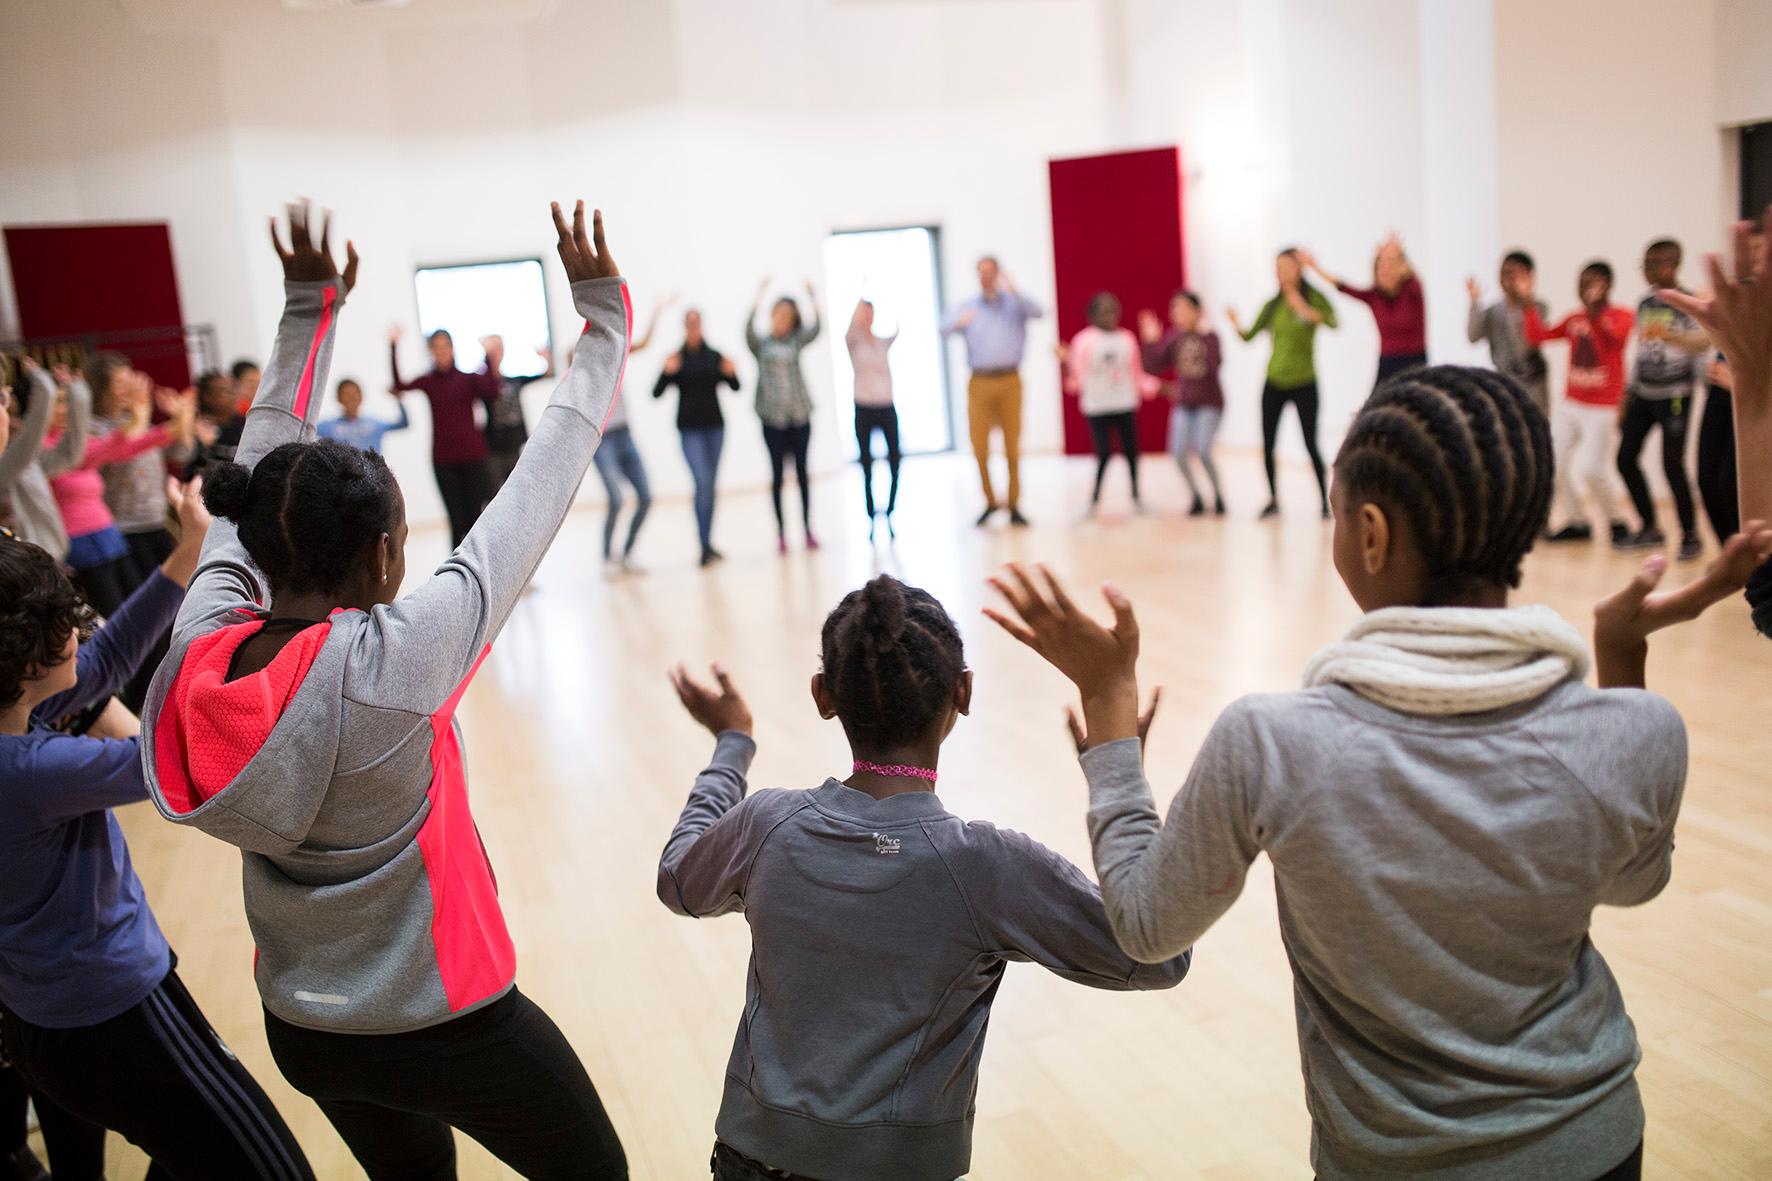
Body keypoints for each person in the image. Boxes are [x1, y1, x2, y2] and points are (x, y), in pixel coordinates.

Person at [984, 364, 1772, 1181]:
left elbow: (1147, 926)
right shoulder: (1642, 728)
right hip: (1597, 1142)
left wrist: (1111, 711)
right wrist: (1622, 658)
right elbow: (1632, 881)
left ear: (1369, 533)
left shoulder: (1274, 743)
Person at [139, 200, 629, 1179]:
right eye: (403, 540)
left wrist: (307, 308)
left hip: (305, 1025)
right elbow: (543, 472)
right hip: (448, 1020)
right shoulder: (401, 660)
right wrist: (604, 316)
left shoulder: (200, 642)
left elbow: (261, 456)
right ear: (381, 554)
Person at [658, 574, 1189, 1181]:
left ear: (823, 695)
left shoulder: (766, 826)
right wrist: (1116, 764)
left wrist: (732, 743)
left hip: (748, 1159)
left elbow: (678, 878)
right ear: (963, 692)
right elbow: (1157, 954)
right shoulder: (986, 867)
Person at [1, 486, 316, 1181]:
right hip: (114, 1016)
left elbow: (105, 663)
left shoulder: (15, 727)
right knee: (275, 1172)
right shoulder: (34, 772)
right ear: (24, 662)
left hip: (44, 1020)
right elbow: (177, 755)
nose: (81, 629)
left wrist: (189, 547)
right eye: (65, 622)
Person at [1663, 204, 1772, 637]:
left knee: (1726, 479)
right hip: (1729, 390)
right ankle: (1736, 553)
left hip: (1744, 389)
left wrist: (1748, 377)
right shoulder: (1738, 309)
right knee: (1709, 477)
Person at [48, 375, 195, 617]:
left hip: (109, 536)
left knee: (146, 608)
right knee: (120, 615)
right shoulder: (49, 450)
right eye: (59, 402)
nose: (66, 409)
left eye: (68, 401)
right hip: (86, 542)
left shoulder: (72, 442)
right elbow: (108, 447)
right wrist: (142, 413)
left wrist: (180, 418)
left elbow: (128, 448)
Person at [1525, 261, 1635, 544]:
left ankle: (1617, 522)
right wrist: (1527, 303)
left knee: (1592, 469)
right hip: (1572, 403)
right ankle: (1578, 522)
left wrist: (1597, 314)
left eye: (1593, 282)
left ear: (1607, 285)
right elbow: (1539, 336)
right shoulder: (1575, 319)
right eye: (1582, 282)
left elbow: (1618, 340)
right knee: (1553, 465)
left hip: (1602, 405)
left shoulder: (1621, 315)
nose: (1586, 288)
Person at [1228, 248, 1338, 519]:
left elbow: (1333, 322)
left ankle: (1324, 503)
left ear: (1299, 270)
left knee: (1310, 443)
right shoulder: (1273, 304)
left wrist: (1303, 307)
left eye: (1286, 267)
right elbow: (1248, 335)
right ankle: (1273, 499)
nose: (1280, 273)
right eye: (1277, 268)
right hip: (1274, 382)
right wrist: (1235, 324)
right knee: (1268, 444)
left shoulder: (1314, 299)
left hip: (1304, 381)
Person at [1616, 240, 1707, 560]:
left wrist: (1673, 336)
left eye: (1656, 263)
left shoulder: (1691, 302)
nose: (1650, 270)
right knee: (1625, 457)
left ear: (1675, 263)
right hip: (1643, 393)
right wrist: (1626, 396)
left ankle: (1690, 535)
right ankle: (1649, 527)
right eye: (1645, 264)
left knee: (1672, 464)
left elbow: (1702, 344)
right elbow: (1640, 351)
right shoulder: (1645, 303)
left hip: (1676, 395)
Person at [942, 256, 1042, 527]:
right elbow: (943, 328)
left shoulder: (1014, 305)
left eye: (990, 272)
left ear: (998, 273)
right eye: (981, 272)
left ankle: (1014, 503)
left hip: (1010, 379)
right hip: (980, 382)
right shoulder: (969, 307)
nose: (985, 277)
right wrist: (958, 324)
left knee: (1012, 446)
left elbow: (1039, 312)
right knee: (980, 446)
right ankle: (989, 501)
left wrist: (1015, 290)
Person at [389, 324, 500, 550]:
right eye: (436, 347)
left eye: (445, 346)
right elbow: (400, 385)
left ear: (452, 349)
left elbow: (492, 389)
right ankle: (457, 577)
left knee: (475, 518)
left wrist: (488, 355)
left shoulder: (468, 379)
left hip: (473, 458)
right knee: (456, 521)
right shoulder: (428, 382)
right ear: (430, 350)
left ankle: (481, 573)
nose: (441, 351)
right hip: (444, 461)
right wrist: (393, 346)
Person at [654, 308, 742, 567]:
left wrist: (731, 371)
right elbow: (656, 392)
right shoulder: (677, 358)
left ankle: (707, 544)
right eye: (689, 323)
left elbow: (736, 387)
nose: (693, 327)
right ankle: (703, 546)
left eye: (696, 323)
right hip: (689, 431)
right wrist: (666, 372)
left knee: (710, 488)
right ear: (684, 326)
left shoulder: (714, 356)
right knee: (702, 484)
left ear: (701, 325)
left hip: (715, 429)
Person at [1060, 292, 1158, 514]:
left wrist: (1156, 387)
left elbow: (1136, 373)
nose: (1109, 315)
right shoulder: (1084, 341)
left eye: (1113, 310)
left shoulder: (1127, 339)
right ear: (1092, 315)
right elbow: (1076, 379)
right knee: (1103, 453)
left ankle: (1136, 496)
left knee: (1131, 452)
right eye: (1103, 311)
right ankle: (1093, 500)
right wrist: (1066, 364)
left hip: (1124, 403)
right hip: (1097, 406)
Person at [590, 298, 668, 572]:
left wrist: (657, 311)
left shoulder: (618, 352)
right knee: (616, 499)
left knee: (646, 496)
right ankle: (607, 558)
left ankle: (627, 554)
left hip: (625, 435)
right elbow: (569, 359)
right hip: (602, 442)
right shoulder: (583, 357)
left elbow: (643, 343)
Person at [746, 278, 821, 554]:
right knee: (777, 477)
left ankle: (807, 529)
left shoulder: (796, 342)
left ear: (792, 321)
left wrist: (813, 297)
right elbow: (747, 330)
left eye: (787, 317)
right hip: (772, 421)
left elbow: (816, 330)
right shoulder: (761, 345)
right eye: (778, 314)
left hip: (799, 418)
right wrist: (759, 294)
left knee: (802, 474)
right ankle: (781, 533)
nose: (782, 320)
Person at [1140, 290, 1226, 516]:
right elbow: (1153, 365)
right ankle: (1196, 496)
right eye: (1175, 309)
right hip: (1184, 405)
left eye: (1183, 308)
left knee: (1203, 450)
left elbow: (1214, 365)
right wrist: (1150, 341)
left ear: (1197, 312)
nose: (1177, 313)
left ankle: (1218, 496)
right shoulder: (1174, 338)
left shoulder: (1211, 337)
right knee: (1177, 452)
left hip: (1209, 403)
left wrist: (1205, 336)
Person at [1303, 235, 1427, 388]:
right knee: (1376, 408)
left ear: (1400, 269)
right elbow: (1342, 286)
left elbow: (1411, 274)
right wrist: (1315, 268)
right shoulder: (1373, 296)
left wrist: (1395, 254)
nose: (1385, 271)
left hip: (1414, 361)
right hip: (1387, 362)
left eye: (1390, 266)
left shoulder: (1412, 290)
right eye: (1381, 267)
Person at [0, 361, 88, 563]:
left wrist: (77, 394)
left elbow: (71, 455)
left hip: (51, 559)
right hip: (27, 564)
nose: (14, 423)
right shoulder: (8, 464)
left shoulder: (27, 460)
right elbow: (33, 431)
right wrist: (43, 383)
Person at [1467, 250, 1552, 420]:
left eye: (1514, 274)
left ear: (1529, 276)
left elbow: (1524, 348)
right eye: (1504, 272)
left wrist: (1518, 304)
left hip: (1532, 384)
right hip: (1503, 382)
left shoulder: (1538, 308)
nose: (1507, 279)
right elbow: (1473, 336)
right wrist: (1475, 303)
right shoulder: (1494, 310)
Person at [846, 298, 900, 539]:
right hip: (864, 409)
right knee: (866, 465)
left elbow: (897, 327)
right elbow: (849, 332)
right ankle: (871, 515)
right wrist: (857, 307)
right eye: (864, 314)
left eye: (870, 313)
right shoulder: (855, 343)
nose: (867, 317)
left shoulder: (881, 342)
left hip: (886, 407)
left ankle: (889, 512)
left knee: (895, 460)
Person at [480, 335, 553, 492]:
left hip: (515, 445)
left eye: (499, 350)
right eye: (493, 351)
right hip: (493, 449)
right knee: (494, 493)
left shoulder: (514, 381)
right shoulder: (483, 384)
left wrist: (546, 357)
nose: (496, 355)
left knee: (519, 492)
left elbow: (547, 374)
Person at [317, 377, 411, 453]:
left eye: (355, 394)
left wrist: (399, 399)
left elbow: (403, 424)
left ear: (361, 396)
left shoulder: (374, 424)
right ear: (339, 399)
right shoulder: (328, 426)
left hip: (372, 474)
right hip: (342, 474)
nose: (351, 398)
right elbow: (307, 428)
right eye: (346, 394)